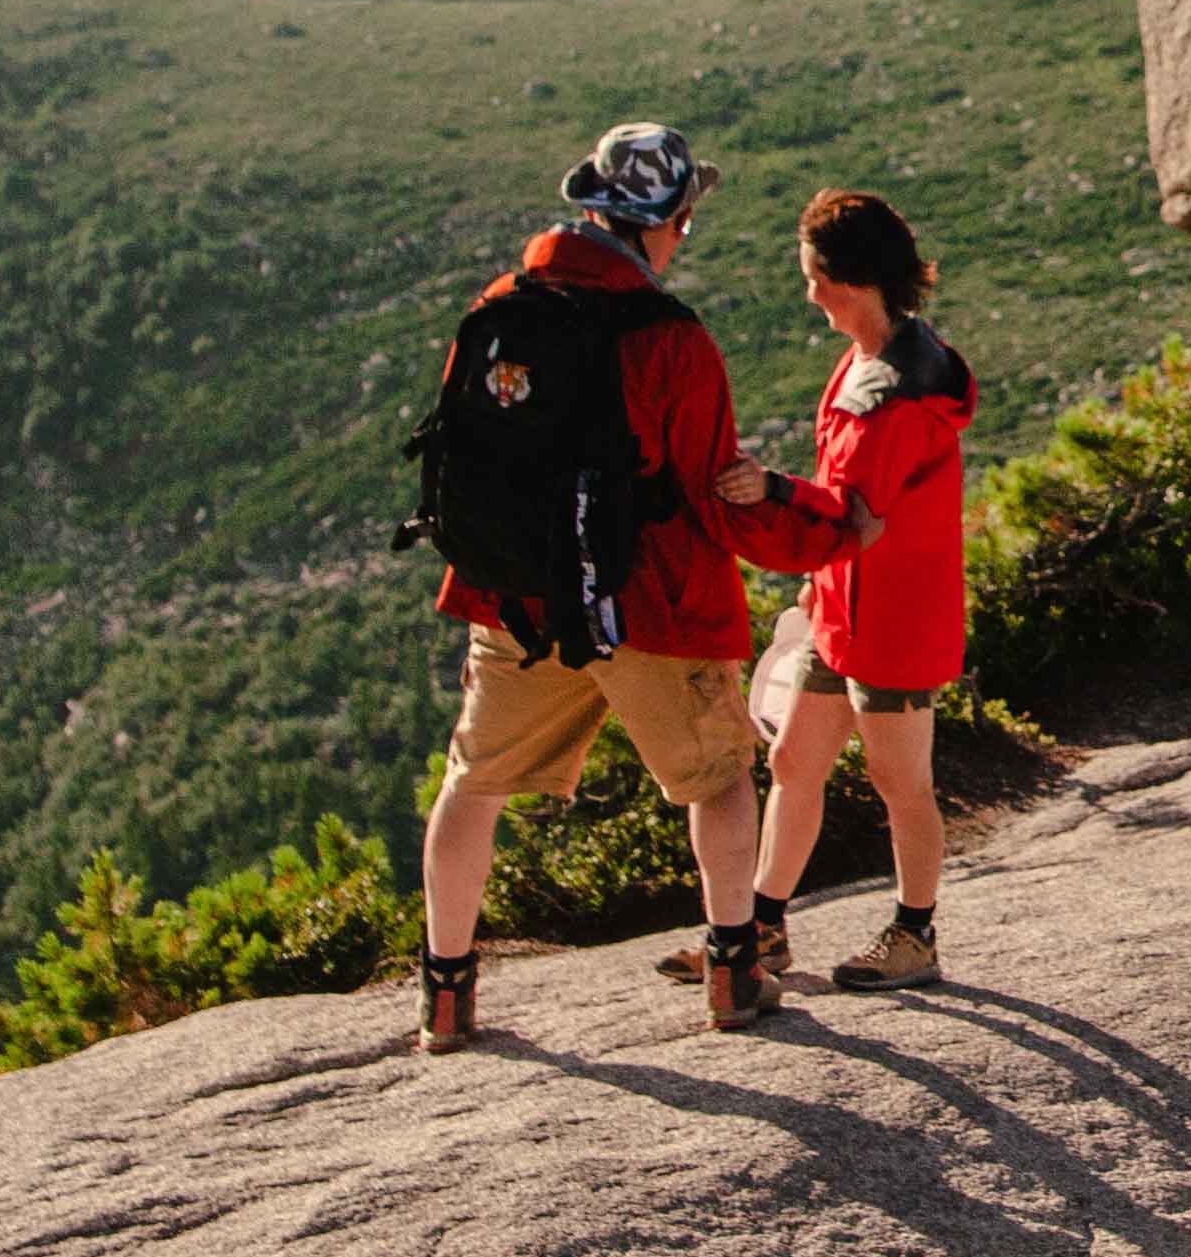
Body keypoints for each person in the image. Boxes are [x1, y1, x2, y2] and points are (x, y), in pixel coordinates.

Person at [406, 123, 783, 1053]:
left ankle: (446, 995)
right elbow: (706, 488)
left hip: (520, 601)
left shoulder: (499, 306)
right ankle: (734, 971)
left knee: (473, 784)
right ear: (667, 222)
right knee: (722, 778)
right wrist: (811, 524)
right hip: (649, 604)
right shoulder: (672, 340)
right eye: (686, 221)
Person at [714, 188, 977, 999]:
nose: (808, 293)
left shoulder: (898, 397)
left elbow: (857, 521)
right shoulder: (878, 356)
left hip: (893, 622)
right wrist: (811, 592)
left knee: (903, 786)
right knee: (794, 760)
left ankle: (916, 936)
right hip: (842, 613)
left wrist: (771, 492)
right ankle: (762, 930)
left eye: (813, 277)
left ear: (850, 279)